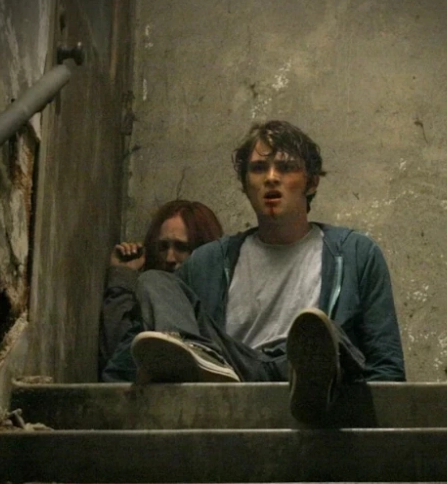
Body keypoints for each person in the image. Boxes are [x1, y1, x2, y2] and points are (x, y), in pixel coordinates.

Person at [119, 120, 405, 424]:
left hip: (309, 365)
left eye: (286, 167)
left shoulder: (356, 254)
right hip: (235, 367)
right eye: (258, 169)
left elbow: (387, 367)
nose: (271, 178)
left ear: (311, 183)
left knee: (323, 332)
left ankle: (315, 388)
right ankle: (198, 358)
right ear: (245, 185)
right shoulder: (209, 261)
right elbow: (128, 358)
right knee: (154, 280)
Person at [99, 199, 223, 379]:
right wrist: (123, 276)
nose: (169, 258)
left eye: (181, 247)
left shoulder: (219, 291)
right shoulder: (149, 296)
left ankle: (189, 350)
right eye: (163, 247)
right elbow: (115, 355)